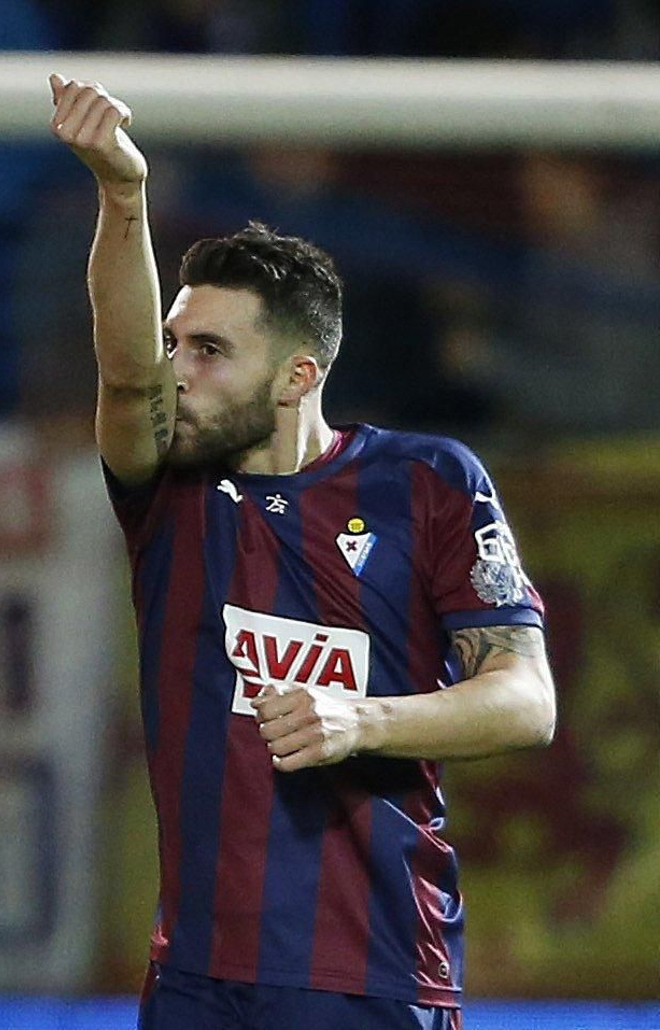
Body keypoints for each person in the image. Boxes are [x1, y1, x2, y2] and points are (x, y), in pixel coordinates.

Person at [49, 75, 556, 1029]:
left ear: (297, 376)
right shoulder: (173, 492)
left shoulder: (429, 481)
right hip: (196, 980)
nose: (177, 372)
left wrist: (359, 720)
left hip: (376, 975)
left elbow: (527, 703)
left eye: (209, 351)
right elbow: (123, 380)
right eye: (174, 342)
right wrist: (123, 196)